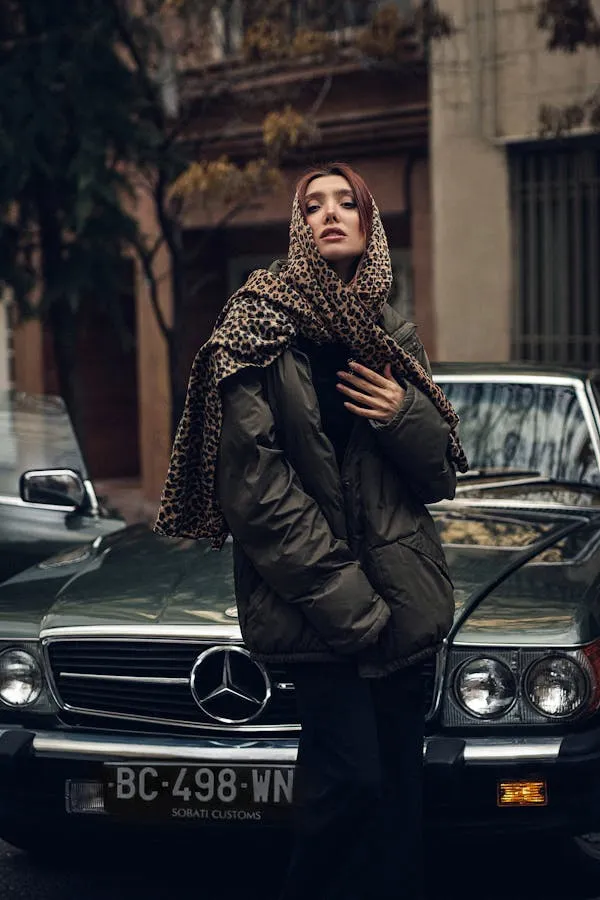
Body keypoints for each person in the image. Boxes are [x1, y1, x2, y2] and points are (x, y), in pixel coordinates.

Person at [154, 162, 468, 900]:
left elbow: (441, 477)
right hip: (316, 606)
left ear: (369, 224)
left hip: (405, 601)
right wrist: (348, 602)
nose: (331, 213)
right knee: (348, 784)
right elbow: (253, 491)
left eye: (346, 202)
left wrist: (404, 414)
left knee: (397, 801)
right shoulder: (255, 325)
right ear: (297, 226)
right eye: (313, 204)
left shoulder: (390, 332)